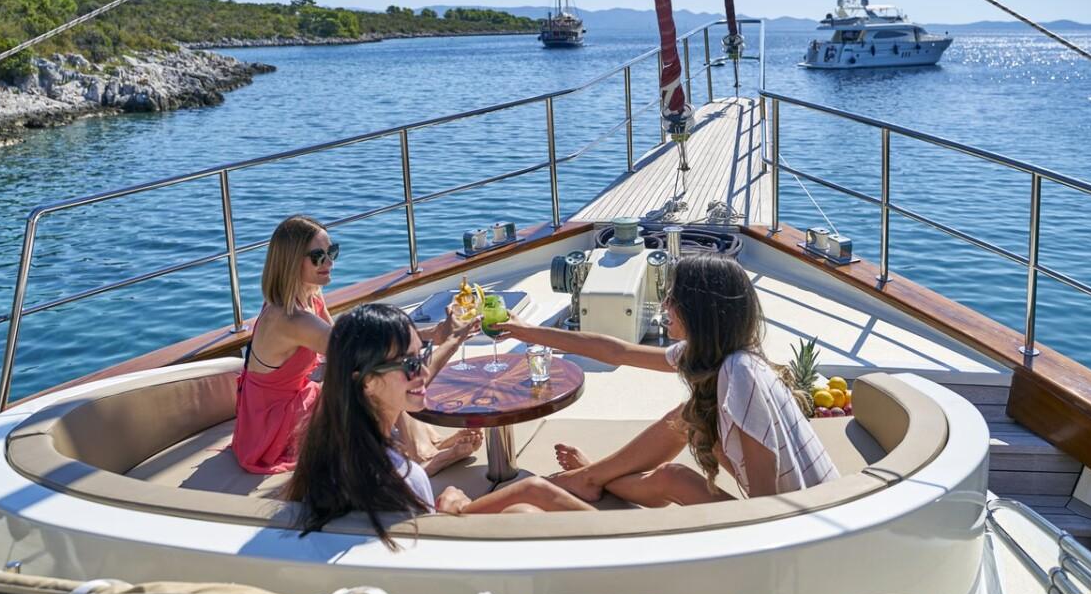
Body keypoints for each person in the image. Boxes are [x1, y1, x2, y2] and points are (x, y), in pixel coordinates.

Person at [498, 253, 838, 506]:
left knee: (673, 475)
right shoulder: (726, 357)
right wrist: (530, 332)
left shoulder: (742, 374)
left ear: (700, 311)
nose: (664, 304)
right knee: (688, 416)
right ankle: (594, 476)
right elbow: (618, 352)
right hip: (790, 513)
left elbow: (767, 503)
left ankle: (594, 476)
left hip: (794, 526)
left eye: (674, 298)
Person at [286, 304, 594, 547]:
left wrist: (452, 339)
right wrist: (448, 511)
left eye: (421, 356)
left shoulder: (327, 448)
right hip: (432, 563)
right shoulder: (402, 475)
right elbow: (431, 548)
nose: (421, 371)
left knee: (532, 489)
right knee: (526, 510)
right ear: (367, 382)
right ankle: (632, 542)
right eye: (409, 364)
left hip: (393, 547)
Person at [232, 215, 479, 474]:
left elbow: (355, 338)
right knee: (382, 377)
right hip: (274, 423)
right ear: (291, 261)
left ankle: (430, 442)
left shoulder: (309, 295)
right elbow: (363, 353)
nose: (328, 262)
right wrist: (444, 338)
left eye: (332, 252)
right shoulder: (291, 319)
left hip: (291, 398)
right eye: (318, 256)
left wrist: (432, 334)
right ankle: (421, 456)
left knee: (380, 372)